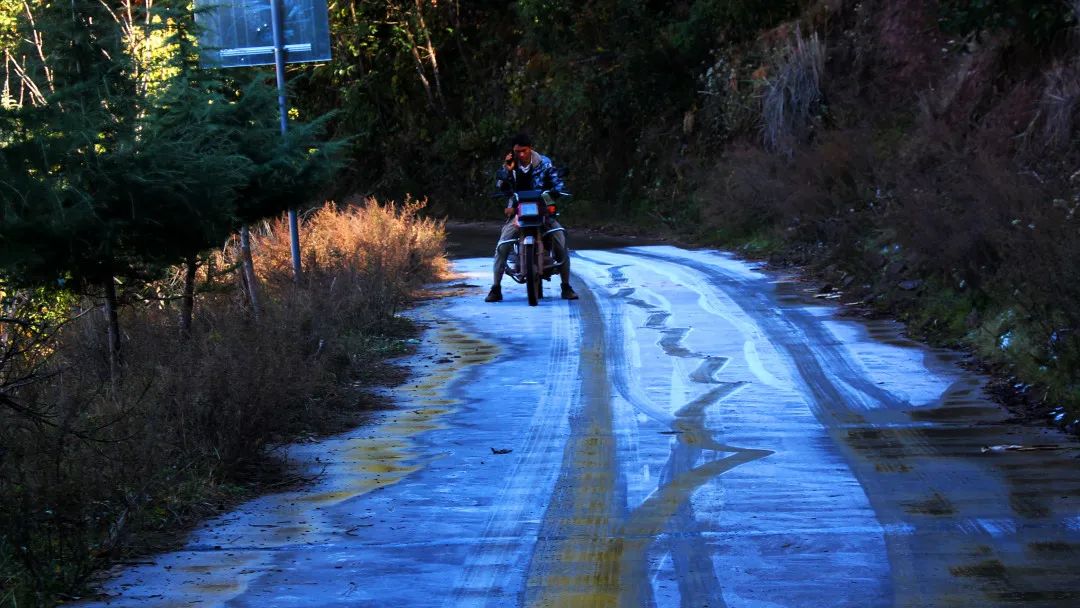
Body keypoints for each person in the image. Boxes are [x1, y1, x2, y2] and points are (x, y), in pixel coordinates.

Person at [485, 133, 578, 302]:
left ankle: (566, 286)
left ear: (530, 149)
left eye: (524, 151)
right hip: (518, 213)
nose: (521, 155)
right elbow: (500, 184)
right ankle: (495, 288)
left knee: (560, 240)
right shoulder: (510, 165)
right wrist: (506, 170)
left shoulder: (545, 163)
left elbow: (557, 182)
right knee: (502, 246)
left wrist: (556, 191)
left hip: (542, 210)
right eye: (517, 151)